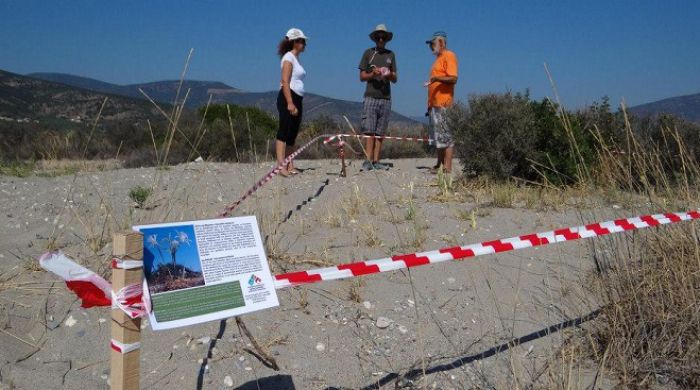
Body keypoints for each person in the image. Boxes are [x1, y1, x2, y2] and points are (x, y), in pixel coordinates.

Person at [358, 24, 397, 171]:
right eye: (378, 37)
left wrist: (389, 74)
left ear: (386, 39)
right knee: (369, 130)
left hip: (386, 97)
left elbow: (395, 78)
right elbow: (362, 77)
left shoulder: (391, 55)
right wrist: (372, 74)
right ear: (375, 38)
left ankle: (377, 161)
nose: (381, 39)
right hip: (371, 96)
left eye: (383, 37)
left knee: (380, 131)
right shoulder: (368, 53)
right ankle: (368, 161)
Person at [425, 31, 458, 174]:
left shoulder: (449, 55)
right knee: (437, 136)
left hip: (444, 103)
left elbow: (453, 78)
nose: (431, 47)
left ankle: (447, 166)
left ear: (442, 43)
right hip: (434, 104)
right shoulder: (437, 60)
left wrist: (437, 79)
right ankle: (439, 163)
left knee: (446, 135)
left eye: (433, 43)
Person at [276, 28, 308, 177]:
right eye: (301, 41)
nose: (304, 44)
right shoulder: (288, 57)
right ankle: (281, 165)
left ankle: (290, 163)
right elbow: (285, 81)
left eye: (304, 41)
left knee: (292, 133)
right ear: (294, 42)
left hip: (298, 97)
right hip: (288, 97)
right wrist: (289, 102)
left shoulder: (296, 59)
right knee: (284, 130)